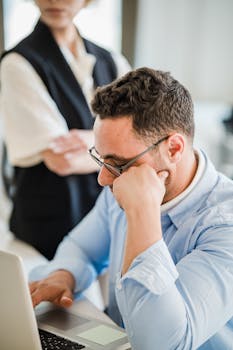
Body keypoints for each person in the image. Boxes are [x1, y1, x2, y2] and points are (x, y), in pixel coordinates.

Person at [29, 67, 233, 349]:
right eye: (101, 160)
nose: (103, 179)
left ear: (174, 148)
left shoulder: (225, 225)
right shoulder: (119, 183)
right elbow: (82, 248)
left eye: (118, 163)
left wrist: (143, 214)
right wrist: (65, 274)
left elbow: (161, 344)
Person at [0, 0, 130, 259]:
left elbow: (140, 136)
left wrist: (87, 139)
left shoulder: (111, 60)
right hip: (48, 232)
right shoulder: (17, 63)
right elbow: (62, 159)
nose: (54, 1)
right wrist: (120, 153)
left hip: (111, 221)